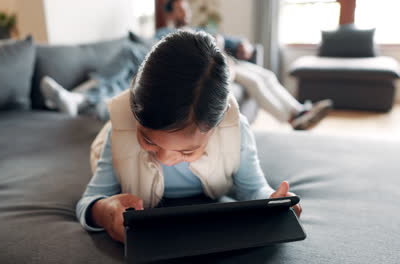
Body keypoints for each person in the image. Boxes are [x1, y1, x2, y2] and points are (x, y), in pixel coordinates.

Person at [76, 31, 302, 243]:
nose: (165, 159)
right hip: (115, 143)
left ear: (217, 127)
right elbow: (91, 199)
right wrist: (105, 211)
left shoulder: (235, 131)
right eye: (149, 141)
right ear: (135, 113)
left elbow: (252, 189)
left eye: (186, 151)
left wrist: (273, 201)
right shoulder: (121, 131)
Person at [157, 0, 332, 130]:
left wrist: (242, 43)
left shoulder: (197, 28)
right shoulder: (165, 34)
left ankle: (299, 110)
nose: (185, 13)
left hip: (229, 61)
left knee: (266, 75)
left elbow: (226, 39)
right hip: (213, 68)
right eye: (180, 10)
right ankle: (292, 120)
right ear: (170, 14)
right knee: (254, 82)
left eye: (186, 8)